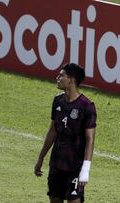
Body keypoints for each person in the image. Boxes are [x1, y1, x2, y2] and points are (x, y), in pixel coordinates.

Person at [34, 63, 97, 203]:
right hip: (57, 163)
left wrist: (85, 170)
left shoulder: (87, 106)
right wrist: (41, 157)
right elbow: (52, 131)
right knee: (54, 199)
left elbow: (90, 139)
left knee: (74, 201)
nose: (57, 77)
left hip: (76, 165)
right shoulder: (57, 101)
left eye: (61, 75)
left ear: (71, 80)